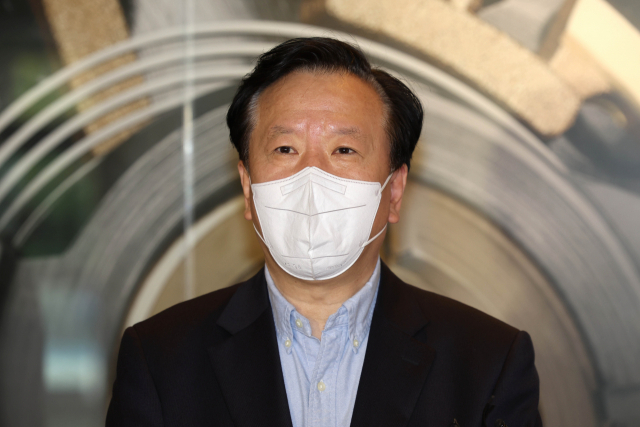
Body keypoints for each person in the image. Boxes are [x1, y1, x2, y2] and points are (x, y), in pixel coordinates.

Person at [106, 37, 542, 427]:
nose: (311, 174)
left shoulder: (488, 361)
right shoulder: (161, 357)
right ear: (247, 186)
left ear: (394, 190)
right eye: (285, 148)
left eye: (343, 150)